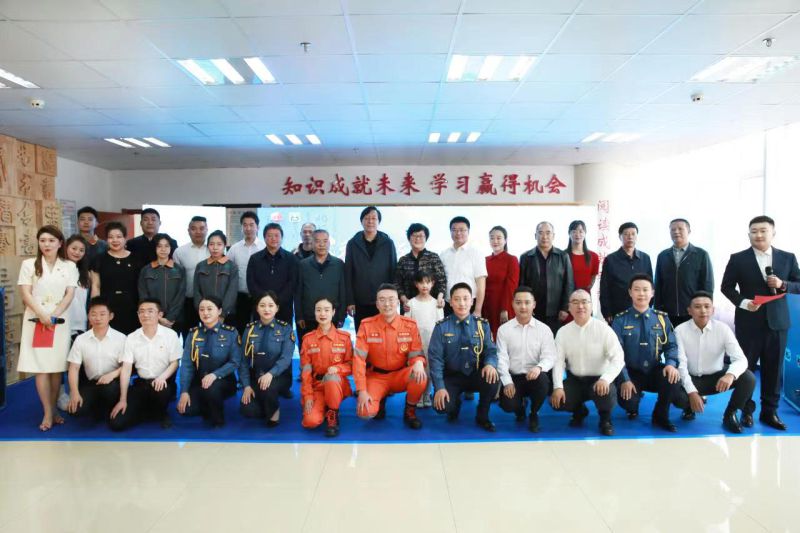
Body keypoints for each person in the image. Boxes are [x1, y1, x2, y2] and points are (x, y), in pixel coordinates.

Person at [721, 215, 800, 430]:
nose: (758, 235)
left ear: (773, 233)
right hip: (749, 323)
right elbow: (726, 287)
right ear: (748, 235)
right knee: (745, 369)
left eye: (763, 230)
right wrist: (744, 303)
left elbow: (798, 284)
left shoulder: (787, 258)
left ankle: (769, 412)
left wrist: (783, 284)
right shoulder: (738, 258)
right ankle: (745, 410)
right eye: (754, 231)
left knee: (773, 370)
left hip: (778, 323)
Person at [17, 225, 78, 431]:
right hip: (36, 320)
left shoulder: (69, 266)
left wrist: (54, 314)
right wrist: (42, 315)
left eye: (51, 240)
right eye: (42, 240)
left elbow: (70, 294)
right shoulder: (29, 264)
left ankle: (54, 409)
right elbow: (26, 293)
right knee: (41, 368)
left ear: (60, 243)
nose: (46, 244)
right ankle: (47, 412)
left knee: (56, 367)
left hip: (58, 321)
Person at [673, 291, 756, 433]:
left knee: (748, 378)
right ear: (689, 310)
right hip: (691, 377)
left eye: (707, 306)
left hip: (715, 378)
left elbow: (741, 359)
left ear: (713, 310)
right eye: (697, 307)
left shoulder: (723, 329)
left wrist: (730, 375)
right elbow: (681, 365)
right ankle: (688, 407)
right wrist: (692, 393)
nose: (703, 310)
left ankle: (730, 414)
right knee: (677, 396)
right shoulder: (680, 330)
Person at [613, 274, 682, 432]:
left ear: (652, 293)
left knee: (673, 379)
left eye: (645, 290)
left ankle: (660, 415)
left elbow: (671, 346)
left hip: (654, 369)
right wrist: (624, 379)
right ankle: (633, 406)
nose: (641, 294)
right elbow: (615, 354)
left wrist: (671, 364)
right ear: (630, 292)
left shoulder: (662, 319)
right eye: (637, 289)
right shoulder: (620, 320)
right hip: (631, 371)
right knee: (628, 402)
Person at [551, 289, 624, 436]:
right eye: (575, 302)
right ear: (569, 307)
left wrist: (605, 379)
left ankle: (605, 419)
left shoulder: (604, 329)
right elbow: (558, 362)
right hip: (575, 379)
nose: (580, 306)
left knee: (605, 393)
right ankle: (579, 411)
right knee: (558, 401)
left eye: (584, 302)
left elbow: (618, 358)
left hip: (599, 379)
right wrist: (558, 387)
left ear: (591, 306)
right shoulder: (563, 332)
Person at [354, 283, 427, 429]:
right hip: (376, 377)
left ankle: (410, 410)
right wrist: (361, 391)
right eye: (382, 300)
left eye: (391, 299)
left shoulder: (410, 325)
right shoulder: (366, 325)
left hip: (400, 375)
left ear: (398, 302)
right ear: (377, 304)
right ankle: (380, 401)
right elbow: (358, 361)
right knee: (365, 412)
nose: (387, 304)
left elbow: (416, 353)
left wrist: (419, 362)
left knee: (420, 376)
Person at [429, 283, 500, 431]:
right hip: (452, 376)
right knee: (442, 407)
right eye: (457, 299)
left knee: (493, 378)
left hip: (475, 374)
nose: (462, 303)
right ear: (451, 302)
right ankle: (455, 404)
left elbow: (491, 351)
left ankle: (483, 415)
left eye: (465, 299)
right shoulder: (441, 327)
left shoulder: (482, 325)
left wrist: (490, 364)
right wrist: (440, 387)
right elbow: (435, 360)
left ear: (472, 301)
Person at [111, 299, 182, 430]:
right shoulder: (132, 337)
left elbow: (175, 363)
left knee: (161, 391)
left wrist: (162, 377)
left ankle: (161, 412)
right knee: (117, 424)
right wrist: (123, 399)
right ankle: (147, 411)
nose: (145, 315)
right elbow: (126, 369)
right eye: (141, 312)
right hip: (141, 384)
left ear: (160, 315)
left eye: (150, 311)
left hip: (162, 384)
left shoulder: (170, 335)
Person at [496, 286, 556, 433]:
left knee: (543, 381)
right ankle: (520, 409)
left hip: (534, 376)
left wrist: (539, 367)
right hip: (514, 377)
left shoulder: (544, 330)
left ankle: (534, 413)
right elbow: (501, 358)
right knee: (507, 404)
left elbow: (550, 356)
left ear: (534, 304)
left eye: (527, 302)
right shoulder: (504, 330)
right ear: (512, 304)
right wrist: (507, 382)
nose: (523, 307)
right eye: (518, 302)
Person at [177, 296, 241, 427]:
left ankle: (218, 419)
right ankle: (207, 405)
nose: (205, 313)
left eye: (209, 309)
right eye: (202, 309)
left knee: (212, 389)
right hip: (199, 381)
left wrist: (215, 375)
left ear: (219, 311)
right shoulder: (193, 334)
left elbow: (235, 361)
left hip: (223, 380)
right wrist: (184, 391)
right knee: (186, 410)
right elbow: (187, 365)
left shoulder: (231, 333)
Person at [65, 297, 127, 429]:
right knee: (76, 411)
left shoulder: (121, 338)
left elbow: (127, 367)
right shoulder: (81, 339)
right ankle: (96, 407)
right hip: (91, 383)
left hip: (113, 383)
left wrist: (112, 375)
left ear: (111, 316)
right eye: (93, 314)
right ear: (88, 316)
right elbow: (74, 368)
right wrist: (74, 393)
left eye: (102, 314)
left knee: (110, 390)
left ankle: (107, 408)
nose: (98, 318)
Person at [240, 292, 295, 427]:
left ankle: (274, 413)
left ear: (277, 308)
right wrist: (246, 386)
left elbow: (286, 358)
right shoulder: (250, 329)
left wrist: (271, 374)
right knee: (248, 410)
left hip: (279, 376)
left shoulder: (285, 329)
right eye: (262, 305)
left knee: (268, 388)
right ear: (257, 308)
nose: (266, 309)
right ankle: (266, 404)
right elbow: (243, 361)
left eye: (271, 305)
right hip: (256, 376)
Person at [300, 297, 353, 437]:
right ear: (314, 313)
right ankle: (324, 407)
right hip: (317, 385)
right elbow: (305, 372)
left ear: (333, 312)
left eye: (326, 310)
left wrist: (338, 369)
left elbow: (351, 365)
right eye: (318, 310)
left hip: (337, 384)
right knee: (310, 422)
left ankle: (333, 414)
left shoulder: (344, 338)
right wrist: (308, 396)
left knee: (331, 378)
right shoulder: (308, 339)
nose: (322, 314)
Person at [345, 206, 398, 331]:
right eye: (367, 218)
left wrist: (394, 297)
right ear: (361, 221)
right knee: (363, 333)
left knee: (384, 334)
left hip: (384, 301)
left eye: (374, 218)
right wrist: (350, 301)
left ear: (379, 221)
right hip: (360, 300)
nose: (370, 221)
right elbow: (348, 273)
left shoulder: (388, 243)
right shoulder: (352, 243)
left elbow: (393, 270)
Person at [654, 218, 714, 327]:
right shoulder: (662, 256)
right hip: (667, 314)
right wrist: (657, 310)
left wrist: (705, 309)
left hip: (692, 312)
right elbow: (658, 285)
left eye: (680, 229)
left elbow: (707, 285)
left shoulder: (701, 254)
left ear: (689, 231)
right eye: (673, 230)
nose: (676, 232)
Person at [519, 221, 574, 335]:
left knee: (554, 341)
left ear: (553, 235)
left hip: (556, 312)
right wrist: (526, 306)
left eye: (548, 233)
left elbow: (569, 283)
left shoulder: (563, 256)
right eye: (541, 233)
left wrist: (565, 308)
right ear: (535, 236)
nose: (544, 236)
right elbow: (522, 285)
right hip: (533, 311)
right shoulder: (526, 257)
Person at [295, 229, 347, 341]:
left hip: (332, 317)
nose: (321, 244)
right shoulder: (303, 265)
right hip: (309, 317)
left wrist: (342, 315)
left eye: (325, 241)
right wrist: (299, 316)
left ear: (329, 243)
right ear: (312, 243)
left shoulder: (338, 264)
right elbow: (298, 292)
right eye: (317, 241)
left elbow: (343, 290)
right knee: (308, 348)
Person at [90, 221, 141, 334]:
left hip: (131, 307)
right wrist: (94, 308)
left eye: (119, 237)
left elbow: (141, 286)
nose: (115, 240)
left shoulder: (136, 259)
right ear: (106, 240)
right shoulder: (99, 259)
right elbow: (95, 286)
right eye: (111, 237)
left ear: (125, 238)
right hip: (107, 308)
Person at [246, 222, 298, 325]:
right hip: (261, 308)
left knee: (284, 334)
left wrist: (276, 302)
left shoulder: (291, 259)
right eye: (269, 236)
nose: (273, 239)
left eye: (276, 235)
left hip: (283, 309)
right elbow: (251, 283)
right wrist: (265, 302)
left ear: (282, 238)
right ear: (264, 238)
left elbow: (292, 283)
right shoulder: (255, 259)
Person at [600, 222, 653, 321]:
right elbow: (605, 287)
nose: (630, 237)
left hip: (642, 309)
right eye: (626, 234)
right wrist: (607, 311)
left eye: (633, 234)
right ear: (620, 237)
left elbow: (650, 284)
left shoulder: (645, 258)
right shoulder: (611, 259)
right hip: (618, 310)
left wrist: (649, 306)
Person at [406, 270, 443, 408]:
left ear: (432, 283)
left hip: (432, 344)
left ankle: (427, 394)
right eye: (421, 282)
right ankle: (418, 395)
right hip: (416, 345)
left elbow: (440, 325)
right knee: (417, 369)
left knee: (429, 369)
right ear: (416, 284)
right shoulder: (411, 303)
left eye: (428, 282)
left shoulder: (436, 304)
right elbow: (406, 325)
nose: (424, 285)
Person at [439, 216, 487, 317]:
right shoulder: (444, 254)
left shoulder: (476, 253)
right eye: (454, 230)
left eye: (462, 230)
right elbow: (441, 281)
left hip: (469, 305)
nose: (458, 233)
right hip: (448, 304)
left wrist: (478, 310)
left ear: (468, 231)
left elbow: (481, 283)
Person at [394, 222, 447, 313]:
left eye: (421, 236)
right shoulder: (403, 260)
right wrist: (405, 300)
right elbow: (397, 283)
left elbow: (442, 281)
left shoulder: (433, 257)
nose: (417, 238)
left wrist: (440, 298)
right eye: (414, 235)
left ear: (426, 238)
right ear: (409, 238)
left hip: (431, 306)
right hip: (409, 306)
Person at [137, 233, 185, 331]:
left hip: (174, 320)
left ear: (171, 248)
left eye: (166, 246)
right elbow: (143, 296)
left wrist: (170, 318)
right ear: (154, 248)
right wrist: (158, 317)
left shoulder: (179, 269)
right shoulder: (146, 270)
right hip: (152, 318)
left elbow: (180, 296)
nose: (163, 249)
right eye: (159, 246)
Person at [228, 211, 265, 334]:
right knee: (241, 329)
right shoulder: (234, 249)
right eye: (245, 225)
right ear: (241, 227)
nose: (248, 228)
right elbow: (228, 271)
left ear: (257, 227)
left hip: (260, 296)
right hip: (240, 296)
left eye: (251, 225)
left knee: (259, 329)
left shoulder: (264, 247)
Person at [173, 216, 209, 336]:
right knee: (188, 335)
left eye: (201, 228)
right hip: (187, 301)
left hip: (209, 301)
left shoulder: (213, 250)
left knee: (210, 335)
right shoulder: (179, 252)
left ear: (207, 230)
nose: (198, 232)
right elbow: (176, 280)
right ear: (188, 231)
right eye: (194, 228)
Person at [193, 230, 238, 321]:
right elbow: (196, 291)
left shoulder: (231, 266)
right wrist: (202, 310)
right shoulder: (201, 266)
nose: (215, 248)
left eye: (219, 244)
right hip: (205, 314)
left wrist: (222, 313)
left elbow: (232, 292)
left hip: (226, 315)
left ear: (224, 246)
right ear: (207, 246)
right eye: (211, 244)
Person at [484, 225, 519, 338]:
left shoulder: (512, 259)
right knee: (487, 338)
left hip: (503, 305)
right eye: (492, 238)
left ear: (505, 240)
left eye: (499, 238)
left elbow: (511, 286)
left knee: (504, 337)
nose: (495, 241)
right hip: (486, 306)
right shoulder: (485, 260)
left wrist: (505, 308)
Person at [64, 234, 90, 339]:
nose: (77, 252)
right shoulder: (59, 269)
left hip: (80, 323)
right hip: (63, 321)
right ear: (66, 248)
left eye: (81, 250)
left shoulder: (85, 273)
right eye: (74, 248)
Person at [566, 220, 600, 291]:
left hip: (585, 295)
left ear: (585, 233)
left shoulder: (594, 256)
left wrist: (582, 293)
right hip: (567, 295)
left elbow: (593, 278)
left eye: (581, 231)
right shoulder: (562, 255)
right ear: (569, 233)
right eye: (574, 231)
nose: (577, 234)